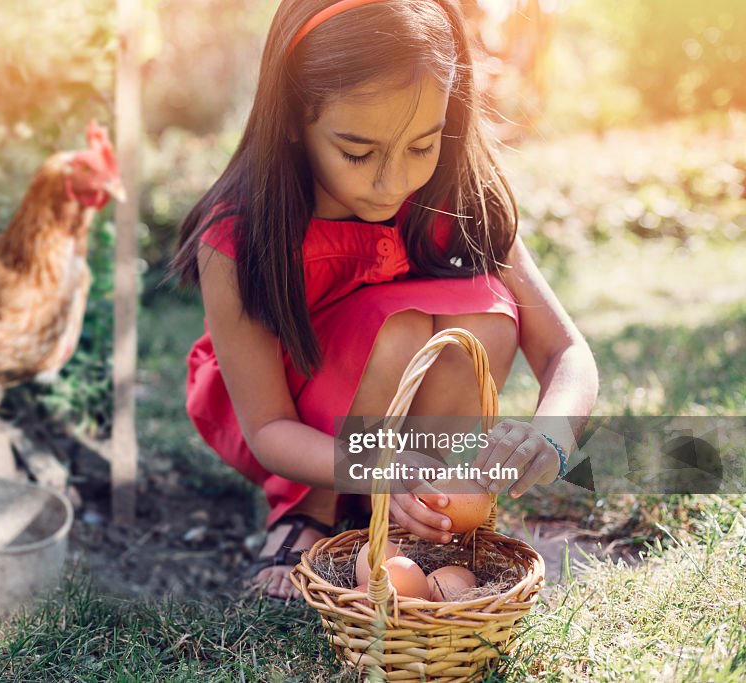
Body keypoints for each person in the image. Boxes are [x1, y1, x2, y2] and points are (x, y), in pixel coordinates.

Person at [170, 0, 598, 600]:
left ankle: (423, 512)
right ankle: (306, 513)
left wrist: (551, 436)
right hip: (305, 429)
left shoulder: (460, 195)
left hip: (404, 451)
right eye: (357, 152)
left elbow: (566, 351)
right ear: (294, 116)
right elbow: (268, 427)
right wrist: (376, 463)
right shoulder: (242, 235)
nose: (392, 182)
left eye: (421, 146)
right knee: (395, 328)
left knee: (483, 319)